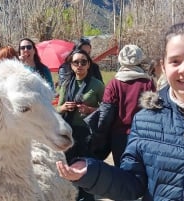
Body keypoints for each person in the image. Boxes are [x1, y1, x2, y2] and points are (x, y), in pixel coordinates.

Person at [56, 21, 184, 201]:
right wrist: (91, 172)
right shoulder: (146, 119)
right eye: (175, 61)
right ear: (163, 66)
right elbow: (133, 183)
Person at [85, 44, 156, 167]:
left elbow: (105, 114)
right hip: (142, 135)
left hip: (120, 137)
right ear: (139, 60)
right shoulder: (148, 83)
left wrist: (100, 136)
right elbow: (154, 112)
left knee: (122, 173)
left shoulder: (114, 84)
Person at [56, 49, 104, 201]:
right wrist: (63, 107)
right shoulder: (66, 84)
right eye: (76, 62)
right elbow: (57, 109)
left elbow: (106, 110)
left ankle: (87, 197)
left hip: (87, 133)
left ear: (89, 64)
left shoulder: (97, 85)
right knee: (67, 167)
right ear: (71, 65)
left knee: (85, 168)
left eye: (83, 62)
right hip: (68, 132)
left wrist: (90, 109)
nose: (80, 65)